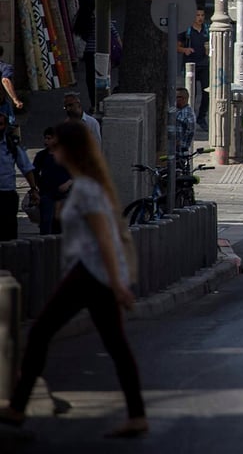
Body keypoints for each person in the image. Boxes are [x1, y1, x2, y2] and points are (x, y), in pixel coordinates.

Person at [0, 120, 147, 439]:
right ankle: (137, 415)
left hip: (91, 273)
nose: (52, 153)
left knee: (40, 332)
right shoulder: (85, 184)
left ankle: (17, 408)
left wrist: (119, 285)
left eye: (56, 148)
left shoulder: (87, 188)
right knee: (116, 344)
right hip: (95, 273)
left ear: (72, 150)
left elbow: (105, 238)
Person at [0, 117, 37, 241]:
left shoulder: (11, 145)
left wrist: (33, 189)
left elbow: (26, 167)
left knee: (9, 232)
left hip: (7, 194)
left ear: (5, 126)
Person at [31, 127, 72, 236]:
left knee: (62, 225)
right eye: (46, 138)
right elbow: (34, 173)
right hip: (47, 194)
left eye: (50, 138)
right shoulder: (41, 156)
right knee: (46, 224)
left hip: (64, 195)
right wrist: (36, 188)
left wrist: (68, 184)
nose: (46, 141)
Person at [177, 8, 210, 129]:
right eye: (197, 15)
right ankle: (189, 117)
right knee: (191, 93)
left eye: (202, 15)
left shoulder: (207, 30)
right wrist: (185, 50)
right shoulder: (187, 30)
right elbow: (177, 47)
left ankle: (202, 118)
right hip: (190, 65)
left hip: (204, 64)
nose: (200, 18)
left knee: (207, 93)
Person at [0, 45, 23, 124]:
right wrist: (15, 100)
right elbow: (5, 80)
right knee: (10, 128)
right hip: (2, 107)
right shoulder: (4, 67)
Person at [175, 87, 196, 164]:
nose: (175, 99)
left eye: (177, 97)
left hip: (179, 152)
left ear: (184, 98)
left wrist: (180, 143)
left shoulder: (187, 113)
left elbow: (190, 132)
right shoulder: (175, 109)